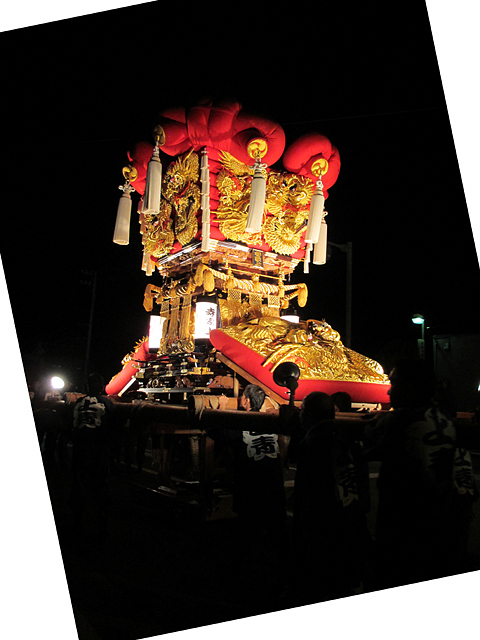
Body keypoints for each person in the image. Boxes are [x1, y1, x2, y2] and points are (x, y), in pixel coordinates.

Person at [364, 358, 477, 588]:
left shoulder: (399, 421)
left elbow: (370, 444)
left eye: (394, 384)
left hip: (407, 528)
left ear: (410, 388)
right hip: (445, 525)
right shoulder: (444, 420)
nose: (389, 391)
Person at [287, 392, 369, 603]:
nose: (300, 416)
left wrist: (303, 528)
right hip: (352, 519)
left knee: (324, 582)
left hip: (325, 524)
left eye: (302, 411)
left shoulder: (312, 442)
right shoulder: (348, 438)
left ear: (311, 414)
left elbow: (308, 491)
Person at [211, 385, 288, 586]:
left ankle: (235, 573)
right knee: (277, 533)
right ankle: (289, 573)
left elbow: (221, 434)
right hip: (273, 485)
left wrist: (220, 409)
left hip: (252, 487)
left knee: (245, 532)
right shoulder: (270, 422)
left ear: (245, 401)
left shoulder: (242, 422)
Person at [70, 373, 116, 540]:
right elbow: (112, 426)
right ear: (101, 387)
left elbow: (71, 424)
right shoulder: (107, 403)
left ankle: (77, 523)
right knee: (100, 487)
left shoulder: (78, 403)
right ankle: (102, 524)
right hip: (98, 449)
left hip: (80, 448)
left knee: (78, 485)